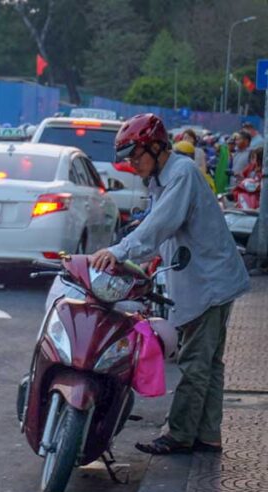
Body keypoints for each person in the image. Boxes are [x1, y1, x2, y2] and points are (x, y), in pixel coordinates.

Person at [91, 113, 249, 455]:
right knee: (208, 362)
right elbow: (162, 233)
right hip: (205, 278)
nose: (133, 164)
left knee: (195, 361)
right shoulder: (162, 178)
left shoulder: (182, 174)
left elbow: (159, 226)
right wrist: (144, 263)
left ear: (157, 147)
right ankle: (207, 434)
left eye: (137, 156)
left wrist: (118, 252)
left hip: (209, 282)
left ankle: (179, 434)